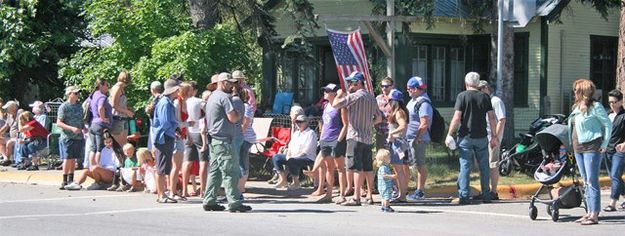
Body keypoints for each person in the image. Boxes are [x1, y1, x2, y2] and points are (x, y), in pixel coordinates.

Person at [445, 72, 498, 205]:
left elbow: (457, 117)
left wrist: (450, 133)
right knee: (484, 167)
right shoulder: (485, 97)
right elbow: (492, 117)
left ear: (466, 83)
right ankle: (486, 195)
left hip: (465, 137)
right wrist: (494, 136)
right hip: (482, 136)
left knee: (465, 167)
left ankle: (464, 196)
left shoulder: (462, 96)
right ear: (478, 83)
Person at [202, 72, 251, 213]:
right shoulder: (224, 97)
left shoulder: (212, 97)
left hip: (214, 139)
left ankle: (209, 200)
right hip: (224, 141)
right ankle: (235, 203)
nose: (232, 86)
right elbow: (233, 118)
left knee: (215, 171)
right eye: (230, 83)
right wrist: (238, 114)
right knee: (231, 171)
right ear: (223, 83)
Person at [333, 71, 383, 206]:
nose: (349, 84)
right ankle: (370, 196)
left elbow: (336, 104)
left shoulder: (355, 96)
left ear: (358, 83)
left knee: (356, 167)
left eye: (351, 82)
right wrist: (369, 124)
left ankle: (356, 197)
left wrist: (338, 94)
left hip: (355, 136)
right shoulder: (371, 97)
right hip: (367, 137)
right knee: (368, 168)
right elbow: (379, 118)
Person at [568, 79, 612, 225]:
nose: (574, 92)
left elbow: (607, 124)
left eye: (576, 90)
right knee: (585, 181)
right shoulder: (576, 107)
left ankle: (594, 214)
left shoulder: (596, 106)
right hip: (578, 147)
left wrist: (605, 143)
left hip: (592, 146)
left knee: (592, 181)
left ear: (583, 91)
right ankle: (588, 212)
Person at [304, 83, 348, 203]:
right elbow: (323, 123)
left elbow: (345, 125)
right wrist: (322, 137)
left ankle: (342, 195)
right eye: (325, 90)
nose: (325, 92)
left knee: (340, 168)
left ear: (334, 93)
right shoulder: (326, 105)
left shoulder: (340, 106)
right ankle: (328, 194)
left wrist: (339, 140)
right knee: (329, 167)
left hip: (336, 139)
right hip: (325, 139)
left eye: (328, 91)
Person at [152, 78, 181, 203]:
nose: (179, 90)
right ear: (174, 89)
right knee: (161, 167)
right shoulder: (165, 103)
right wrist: (174, 130)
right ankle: (161, 195)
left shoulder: (167, 101)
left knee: (163, 167)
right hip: (164, 137)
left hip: (166, 136)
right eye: (177, 88)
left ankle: (162, 194)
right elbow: (164, 123)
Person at [273, 115, 318, 190]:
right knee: (276, 157)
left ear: (306, 122)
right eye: (297, 122)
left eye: (301, 122)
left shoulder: (311, 133)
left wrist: (294, 157)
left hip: (307, 158)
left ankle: (296, 183)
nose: (298, 124)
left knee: (292, 161)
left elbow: (307, 150)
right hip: (293, 156)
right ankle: (283, 179)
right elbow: (290, 146)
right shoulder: (296, 133)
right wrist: (288, 155)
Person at [478, 80, 506, 200]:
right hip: (483, 138)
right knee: (483, 166)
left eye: (480, 89)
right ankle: (485, 191)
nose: (478, 92)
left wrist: (495, 137)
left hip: (493, 139)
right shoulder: (483, 101)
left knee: (493, 165)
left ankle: (494, 192)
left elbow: (502, 119)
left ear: (486, 88)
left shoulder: (495, 101)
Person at [405, 77, 432, 201]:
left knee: (420, 165)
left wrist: (417, 138)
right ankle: (407, 190)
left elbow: (424, 123)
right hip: (410, 138)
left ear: (415, 89)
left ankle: (420, 191)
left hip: (418, 139)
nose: (407, 90)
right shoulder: (414, 100)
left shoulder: (423, 103)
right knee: (413, 165)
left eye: (409, 88)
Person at [57, 86, 86, 189]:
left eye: (78, 93)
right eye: (75, 93)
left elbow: (82, 119)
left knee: (73, 159)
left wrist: (83, 128)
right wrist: (71, 128)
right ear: (69, 94)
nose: (77, 95)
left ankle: (70, 179)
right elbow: (59, 123)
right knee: (67, 158)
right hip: (67, 136)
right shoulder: (64, 107)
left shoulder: (79, 106)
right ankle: (64, 181)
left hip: (78, 136)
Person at [183, 81, 208, 197]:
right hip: (199, 132)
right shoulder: (199, 102)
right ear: (196, 90)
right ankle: (203, 190)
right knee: (203, 162)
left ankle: (184, 190)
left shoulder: (183, 101)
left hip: (188, 132)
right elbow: (208, 112)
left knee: (187, 162)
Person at [386, 89, 410, 202]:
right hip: (401, 143)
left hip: (398, 143)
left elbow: (403, 126)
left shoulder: (399, 112)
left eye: (390, 101)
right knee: (400, 170)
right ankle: (402, 194)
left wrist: (392, 133)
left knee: (399, 171)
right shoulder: (401, 111)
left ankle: (402, 196)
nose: (389, 103)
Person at [86, 79, 113, 180]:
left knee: (93, 148)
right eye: (106, 85)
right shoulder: (102, 96)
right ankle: (98, 167)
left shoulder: (92, 96)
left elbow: (86, 106)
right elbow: (101, 107)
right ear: (101, 86)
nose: (108, 87)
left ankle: (91, 166)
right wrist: (103, 118)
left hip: (92, 124)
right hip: (100, 125)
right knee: (100, 148)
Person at [171, 81, 194, 201]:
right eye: (190, 90)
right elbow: (175, 123)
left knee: (178, 165)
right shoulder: (177, 103)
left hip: (182, 135)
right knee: (176, 166)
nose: (192, 92)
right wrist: (188, 123)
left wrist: (189, 136)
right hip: (176, 136)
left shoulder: (185, 102)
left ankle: (175, 190)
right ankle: (172, 191)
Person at [604, 89, 625, 212]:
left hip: (620, 150)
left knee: (616, 174)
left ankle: (612, 203)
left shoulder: (623, 115)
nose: (612, 104)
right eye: (610, 102)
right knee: (613, 176)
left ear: (621, 101)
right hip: (607, 149)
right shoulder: (608, 115)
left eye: (614, 102)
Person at [109, 70, 135, 147]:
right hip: (117, 119)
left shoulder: (121, 88)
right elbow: (113, 104)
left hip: (123, 118)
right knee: (118, 146)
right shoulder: (117, 88)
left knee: (124, 145)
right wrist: (127, 112)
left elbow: (120, 104)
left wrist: (128, 109)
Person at [239, 89, 256, 194]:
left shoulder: (246, 107)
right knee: (242, 160)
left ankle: (241, 187)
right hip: (244, 137)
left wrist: (238, 135)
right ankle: (241, 186)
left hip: (245, 137)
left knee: (242, 161)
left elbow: (245, 124)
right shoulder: (243, 106)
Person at [375, 77, 394, 150]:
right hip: (380, 132)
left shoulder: (395, 99)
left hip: (391, 132)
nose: (384, 88)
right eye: (382, 86)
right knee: (380, 155)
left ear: (392, 86)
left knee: (391, 156)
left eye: (386, 86)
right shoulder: (378, 98)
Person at [0, 100, 19, 166]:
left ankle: (8, 160)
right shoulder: (10, 116)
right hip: (11, 137)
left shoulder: (20, 113)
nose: (7, 110)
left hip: (19, 137)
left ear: (12, 108)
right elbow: (6, 126)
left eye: (8, 108)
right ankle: (5, 158)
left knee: (9, 142)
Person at [146, 81, 163, 153]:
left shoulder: (157, 99)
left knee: (155, 147)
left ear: (152, 89)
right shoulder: (164, 98)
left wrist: (148, 110)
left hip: (156, 126)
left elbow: (153, 112)